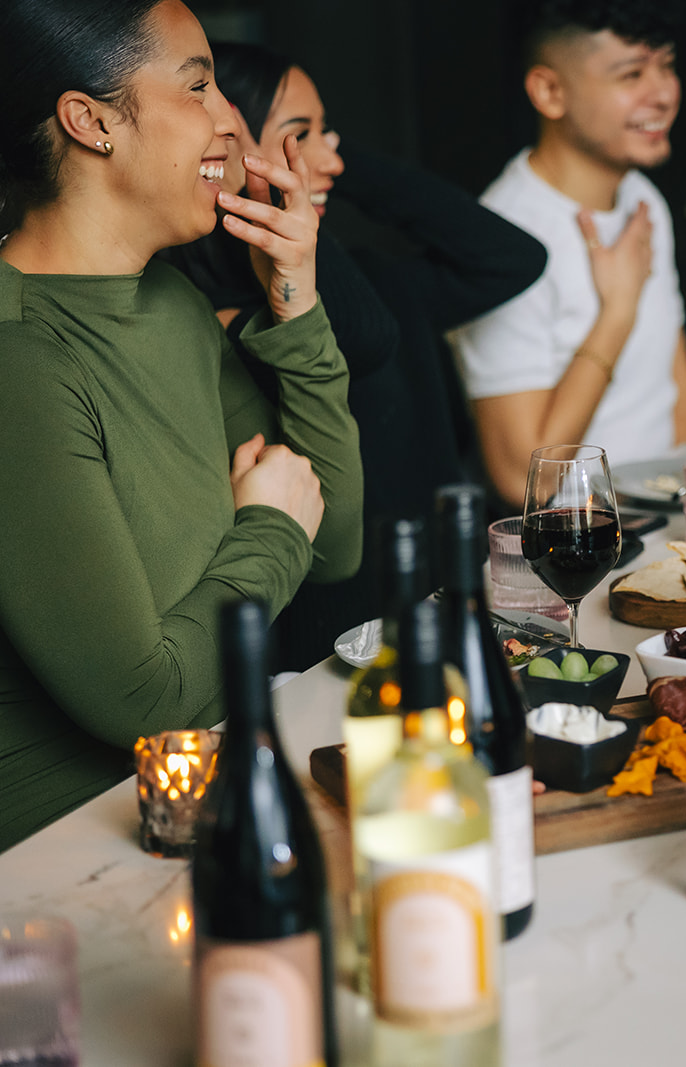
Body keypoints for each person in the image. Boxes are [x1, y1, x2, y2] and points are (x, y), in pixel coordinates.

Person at [0, 0, 362, 851]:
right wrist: (270, 525)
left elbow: (335, 538)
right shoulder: (18, 356)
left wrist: (295, 295)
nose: (228, 125)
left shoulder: (170, 303)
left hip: (209, 798)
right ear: (89, 121)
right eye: (198, 86)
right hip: (67, 857)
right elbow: (147, 699)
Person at [164, 42, 549, 670]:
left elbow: (509, 259)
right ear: (229, 149)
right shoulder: (223, 325)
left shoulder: (371, 281)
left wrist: (326, 162)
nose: (330, 157)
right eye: (299, 134)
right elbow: (365, 336)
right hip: (340, 645)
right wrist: (279, 185)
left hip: (448, 604)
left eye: (329, 134)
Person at [454, 0, 686, 511]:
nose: (663, 94)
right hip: (574, 546)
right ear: (549, 91)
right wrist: (618, 312)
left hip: (667, 521)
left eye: (668, 65)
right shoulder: (502, 237)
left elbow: (676, 391)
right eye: (632, 74)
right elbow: (526, 481)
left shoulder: (641, 196)